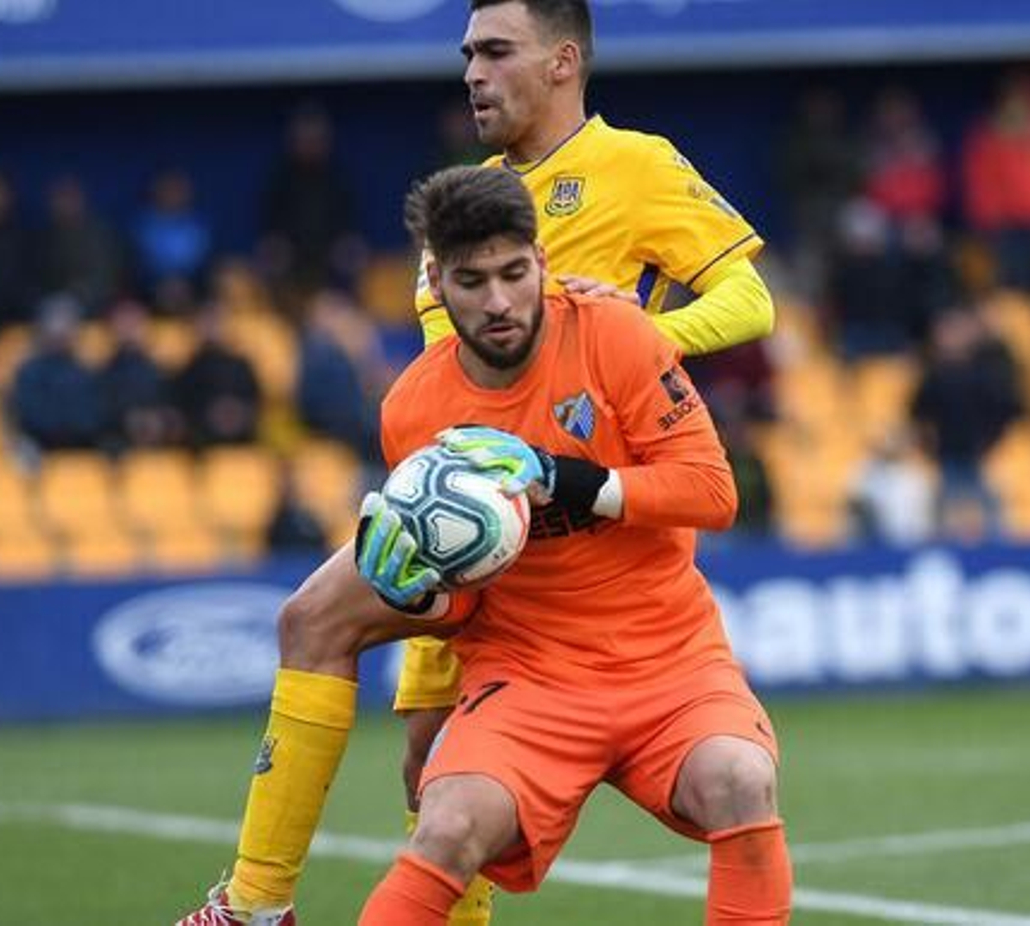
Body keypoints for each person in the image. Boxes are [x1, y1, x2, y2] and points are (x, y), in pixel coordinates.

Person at [174, 3, 775, 923]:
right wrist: (426, 648)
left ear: (563, 61)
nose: (472, 74)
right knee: (422, 763)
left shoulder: (637, 165)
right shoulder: (461, 211)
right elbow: (439, 406)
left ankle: (253, 904)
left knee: (323, 635)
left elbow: (751, 301)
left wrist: (643, 339)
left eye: (496, 52)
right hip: (476, 517)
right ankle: (259, 903)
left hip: (592, 521)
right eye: (466, 55)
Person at [357, 166, 788, 924]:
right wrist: (417, 593)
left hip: (670, 662)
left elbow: (712, 493)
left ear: (542, 262)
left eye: (514, 273)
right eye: (472, 280)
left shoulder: (617, 335)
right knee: (447, 825)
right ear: (434, 282)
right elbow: (461, 595)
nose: (498, 302)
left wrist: (563, 477)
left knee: (740, 779)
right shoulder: (413, 410)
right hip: (528, 676)